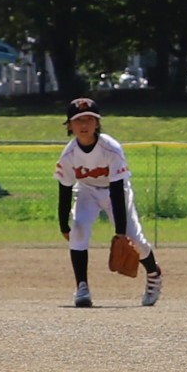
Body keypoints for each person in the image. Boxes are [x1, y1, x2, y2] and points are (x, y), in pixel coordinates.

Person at [54, 100, 165, 307]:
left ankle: (153, 273)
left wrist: (120, 232)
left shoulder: (111, 148)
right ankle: (82, 287)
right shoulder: (69, 155)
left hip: (116, 192)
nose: (84, 124)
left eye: (89, 119)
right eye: (78, 120)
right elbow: (65, 188)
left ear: (97, 124)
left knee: (136, 240)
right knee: (78, 231)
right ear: (69, 126)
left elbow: (116, 190)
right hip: (87, 191)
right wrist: (63, 225)